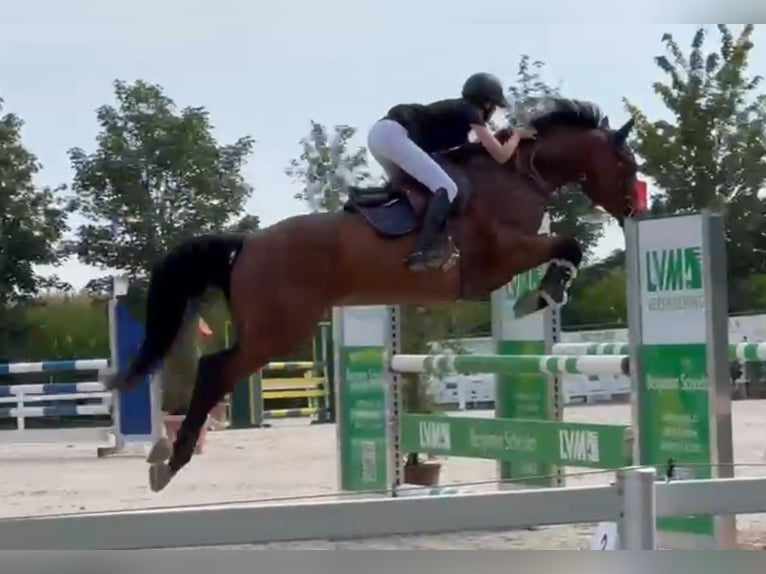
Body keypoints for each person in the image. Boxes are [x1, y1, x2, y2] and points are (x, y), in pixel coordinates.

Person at [367, 72, 538, 271]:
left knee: (411, 188)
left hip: (382, 136)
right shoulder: (469, 110)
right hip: (394, 135)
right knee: (448, 188)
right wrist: (517, 135)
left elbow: (470, 148)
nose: (492, 112)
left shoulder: (458, 115)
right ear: (486, 104)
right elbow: (500, 156)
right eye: (493, 106)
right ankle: (425, 249)